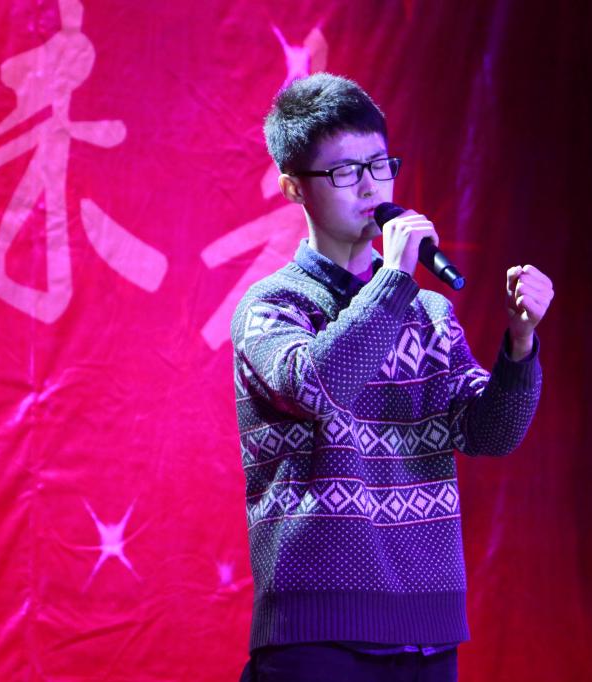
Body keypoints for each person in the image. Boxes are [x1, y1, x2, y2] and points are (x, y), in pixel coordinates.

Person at [232, 73, 553, 682]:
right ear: (294, 187)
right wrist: (395, 281)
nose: (370, 186)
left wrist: (520, 341)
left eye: (379, 166)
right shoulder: (273, 307)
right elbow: (318, 386)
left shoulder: (428, 313)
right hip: (317, 633)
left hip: (425, 632)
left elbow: (489, 433)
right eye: (343, 172)